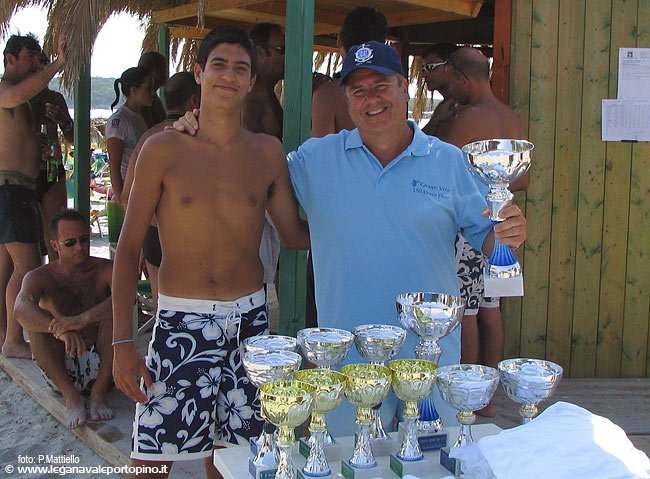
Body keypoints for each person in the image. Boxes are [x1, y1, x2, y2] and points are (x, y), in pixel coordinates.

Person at [174, 41, 527, 437]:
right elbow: (248, 169)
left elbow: (489, 241)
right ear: (346, 99)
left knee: (428, 465)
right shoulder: (314, 161)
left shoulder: (449, 161)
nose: (371, 99)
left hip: (429, 360)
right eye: (358, 90)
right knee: (347, 464)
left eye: (381, 86)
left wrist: (508, 233)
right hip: (344, 366)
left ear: (404, 87)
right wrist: (197, 130)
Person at [111, 26, 309, 478]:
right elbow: (126, 250)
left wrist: (358, 223)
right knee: (150, 458)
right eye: (218, 64)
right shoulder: (162, 147)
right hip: (181, 319)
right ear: (198, 72)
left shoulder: (267, 152)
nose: (229, 75)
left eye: (241, 68)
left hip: (250, 323)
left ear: (253, 81)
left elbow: (294, 236)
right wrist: (123, 341)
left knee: (235, 457)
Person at [431, 46, 529, 417]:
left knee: (465, 313)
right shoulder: (509, 116)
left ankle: (467, 399)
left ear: (463, 79)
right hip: (503, 225)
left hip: (470, 227)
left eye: (450, 79)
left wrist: (440, 122)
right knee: (491, 310)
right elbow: (527, 178)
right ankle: (487, 401)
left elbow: (436, 167)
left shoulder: (467, 118)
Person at [14, 208, 113, 429]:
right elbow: (20, 309)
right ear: (55, 245)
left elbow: (127, 300)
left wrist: (82, 320)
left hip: (103, 363)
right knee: (36, 324)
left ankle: (98, 393)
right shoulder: (41, 276)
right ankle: (72, 397)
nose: (80, 247)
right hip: (61, 365)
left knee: (114, 316)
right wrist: (61, 329)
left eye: (84, 239)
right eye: (70, 243)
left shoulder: (104, 269)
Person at [0, 34, 66, 358]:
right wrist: (57, 64)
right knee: (26, 266)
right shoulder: (6, 90)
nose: (35, 63)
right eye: (30, 57)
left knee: (13, 265)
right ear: (10, 59)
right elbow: (18, 93)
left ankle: (9, 335)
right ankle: (14, 339)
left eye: (39, 58)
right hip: (9, 189)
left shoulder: (27, 98)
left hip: (19, 188)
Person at [122, 71, 201, 312]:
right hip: (187, 238)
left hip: (153, 235)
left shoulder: (149, 137)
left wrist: (146, 232)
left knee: (162, 309)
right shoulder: (197, 137)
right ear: (194, 100)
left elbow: (126, 197)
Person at [310, 5, 387, 138]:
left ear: (339, 39)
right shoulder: (396, 90)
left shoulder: (328, 95)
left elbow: (320, 154)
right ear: (382, 44)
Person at [31, 52, 74, 261]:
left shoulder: (54, 99)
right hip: (24, 173)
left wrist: (64, 120)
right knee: (28, 243)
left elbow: (74, 138)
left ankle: (55, 286)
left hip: (51, 170)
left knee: (56, 235)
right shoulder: (17, 98)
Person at [105, 66, 154, 203]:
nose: (152, 93)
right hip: (129, 189)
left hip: (140, 187)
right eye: (148, 88)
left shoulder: (138, 117)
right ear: (134, 90)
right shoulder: (120, 120)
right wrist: (121, 198)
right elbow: (114, 164)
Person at [420, 43, 461, 137]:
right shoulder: (443, 108)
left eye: (430, 67)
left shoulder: (462, 108)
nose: (424, 74)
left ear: (451, 66)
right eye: (423, 69)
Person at [138, 51, 169, 128]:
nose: (167, 74)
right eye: (165, 69)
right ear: (156, 71)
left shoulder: (153, 98)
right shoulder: (144, 102)